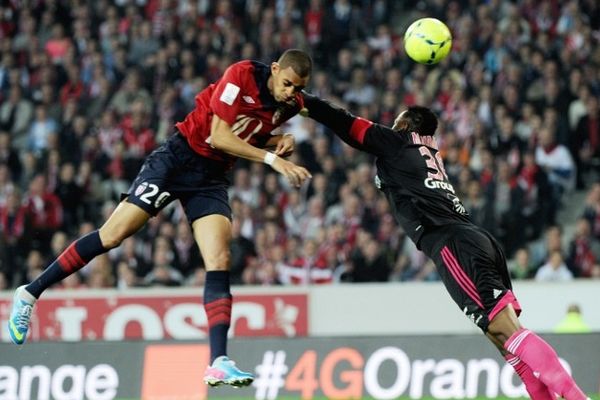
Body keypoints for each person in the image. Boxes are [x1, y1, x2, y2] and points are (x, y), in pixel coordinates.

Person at [8, 49, 313, 388]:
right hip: (177, 160)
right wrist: (273, 158)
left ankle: (218, 361)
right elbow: (220, 135)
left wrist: (279, 139)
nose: (290, 93)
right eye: (287, 84)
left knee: (219, 257)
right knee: (112, 236)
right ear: (274, 69)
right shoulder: (241, 75)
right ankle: (30, 293)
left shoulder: (291, 104)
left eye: (297, 88)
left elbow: (248, 133)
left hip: (210, 178)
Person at [300, 92, 590, 400]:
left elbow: (345, 122)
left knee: (508, 332)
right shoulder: (428, 151)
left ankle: (575, 396)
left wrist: (304, 103)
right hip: (475, 239)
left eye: (397, 120)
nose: (391, 124)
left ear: (408, 124)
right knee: (502, 338)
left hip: (452, 243)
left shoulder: (399, 142)